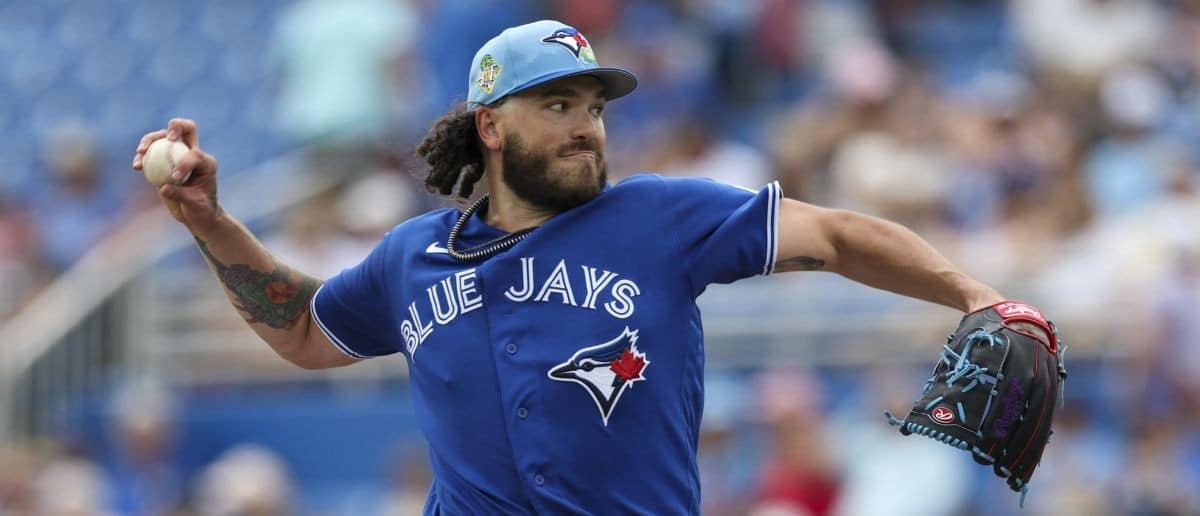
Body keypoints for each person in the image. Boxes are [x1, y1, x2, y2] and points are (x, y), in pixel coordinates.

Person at [133, 19, 1009, 515]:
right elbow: (299, 329)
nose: (587, 125)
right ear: (490, 126)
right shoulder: (411, 258)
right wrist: (212, 222)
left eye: (593, 106)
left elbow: (842, 235)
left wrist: (972, 293)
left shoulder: (660, 216)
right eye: (556, 104)